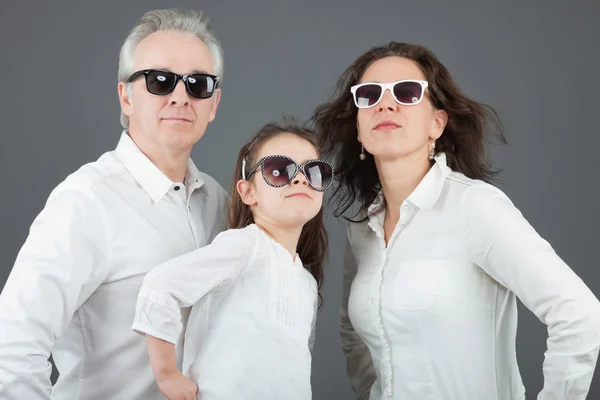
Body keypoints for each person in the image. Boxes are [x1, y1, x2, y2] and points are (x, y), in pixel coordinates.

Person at [312, 41, 600, 400]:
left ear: (437, 123)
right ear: (358, 127)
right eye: (369, 95)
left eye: (406, 92)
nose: (385, 104)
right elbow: (352, 331)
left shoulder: (474, 207)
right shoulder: (363, 230)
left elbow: (578, 313)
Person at [0, 8, 227, 399]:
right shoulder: (86, 201)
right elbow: (13, 346)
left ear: (214, 103)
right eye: (159, 81)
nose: (179, 97)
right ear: (126, 96)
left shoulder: (220, 202)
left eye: (198, 84)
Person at [131, 119, 332, 400]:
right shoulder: (245, 246)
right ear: (248, 191)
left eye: (314, 171)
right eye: (278, 170)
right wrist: (167, 373)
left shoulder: (306, 283)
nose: (300, 179)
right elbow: (161, 286)